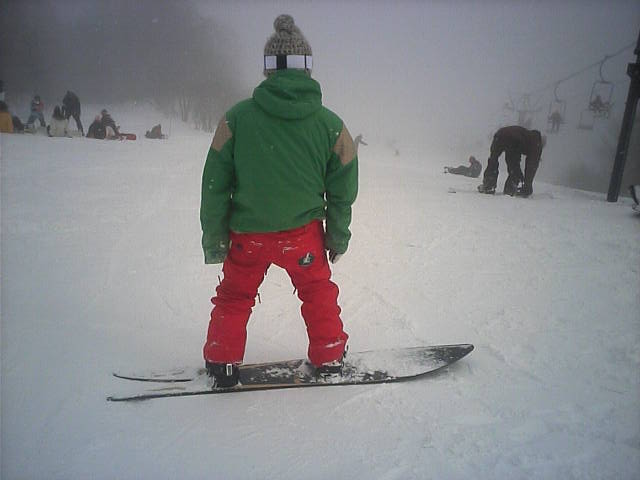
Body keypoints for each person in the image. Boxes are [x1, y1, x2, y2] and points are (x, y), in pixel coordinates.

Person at [200, 14, 358, 388]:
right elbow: (343, 190)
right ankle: (330, 355)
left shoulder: (235, 120)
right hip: (302, 237)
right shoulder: (332, 126)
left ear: (269, 69)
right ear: (307, 68)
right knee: (317, 291)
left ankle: (222, 361)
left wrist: (216, 239)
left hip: (247, 236)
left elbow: (214, 185)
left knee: (235, 295)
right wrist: (337, 237)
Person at [477, 125, 545, 197]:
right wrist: (527, 186)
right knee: (514, 166)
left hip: (500, 134)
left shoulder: (527, 135)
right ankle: (510, 189)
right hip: (514, 139)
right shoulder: (536, 143)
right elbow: (531, 166)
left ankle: (488, 185)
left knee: (493, 159)